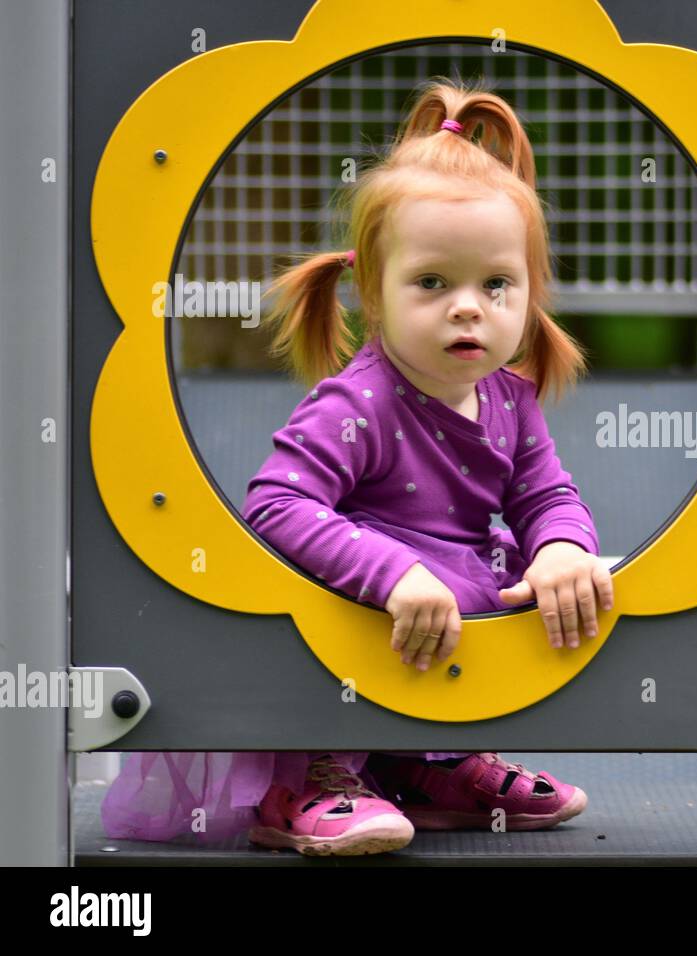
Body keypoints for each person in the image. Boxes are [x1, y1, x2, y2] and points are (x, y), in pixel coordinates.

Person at [100, 78, 614, 857]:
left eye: (496, 284)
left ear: (530, 295)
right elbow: (276, 506)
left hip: (447, 622)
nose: (468, 307)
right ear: (373, 293)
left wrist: (562, 547)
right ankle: (310, 772)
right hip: (356, 631)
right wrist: (392, 571)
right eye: (433, 283)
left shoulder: (510, 398)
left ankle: (429, 763)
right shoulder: (360, 403)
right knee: (360, 614)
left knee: (509, 579)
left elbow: (548, 493)